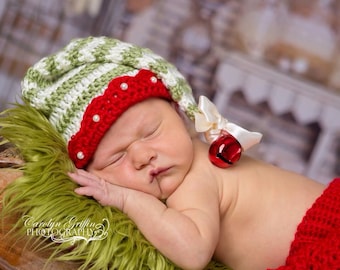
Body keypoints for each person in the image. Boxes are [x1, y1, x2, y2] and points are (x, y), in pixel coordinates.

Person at [20, 36, 339, 270]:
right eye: (116, 157)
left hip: (326, 242)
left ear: (179, 113)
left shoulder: (195, 178)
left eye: (150, 132)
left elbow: (193, 252)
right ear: (91, 173)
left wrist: (127, 198)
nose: (143, 156)